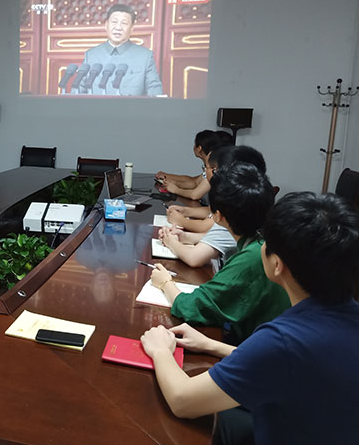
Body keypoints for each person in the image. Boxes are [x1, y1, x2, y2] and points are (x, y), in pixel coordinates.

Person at [140, 192, 359, 445]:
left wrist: (161, 351)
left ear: (277, 264)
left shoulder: (283, 340)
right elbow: (292, 365)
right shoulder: (343, 315)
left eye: (266, 241)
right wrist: (212, 345)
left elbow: (182, 400)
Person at [151, 162, 290, 345]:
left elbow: (191, 307)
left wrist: (165, 282)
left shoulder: (252, 257)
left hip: (256, 346)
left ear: (217, 216)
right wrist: (185, 237)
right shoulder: (262, 240)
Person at [159, 146, 267, 269]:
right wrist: (185, 237)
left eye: (211, 169)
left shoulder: (232, 216)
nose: (208, 174)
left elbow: (194, 258)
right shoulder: (247, 207)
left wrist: (171, 241)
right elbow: (224, 238)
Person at [80, 4, 162, 96]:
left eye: (124, 23)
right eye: (114, 22)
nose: (118, 28)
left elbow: (154, 90)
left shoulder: (145, 56)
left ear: (131, 28)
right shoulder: (91, 55)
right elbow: (80, 90)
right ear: (106, 25)